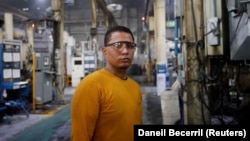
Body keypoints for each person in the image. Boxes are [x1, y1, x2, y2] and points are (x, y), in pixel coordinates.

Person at [70, 25, 143, 141]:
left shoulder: (135, 87)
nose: (125, 51)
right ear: (104, 51)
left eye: (130, 46)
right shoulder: (91, 85)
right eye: (117, 45)